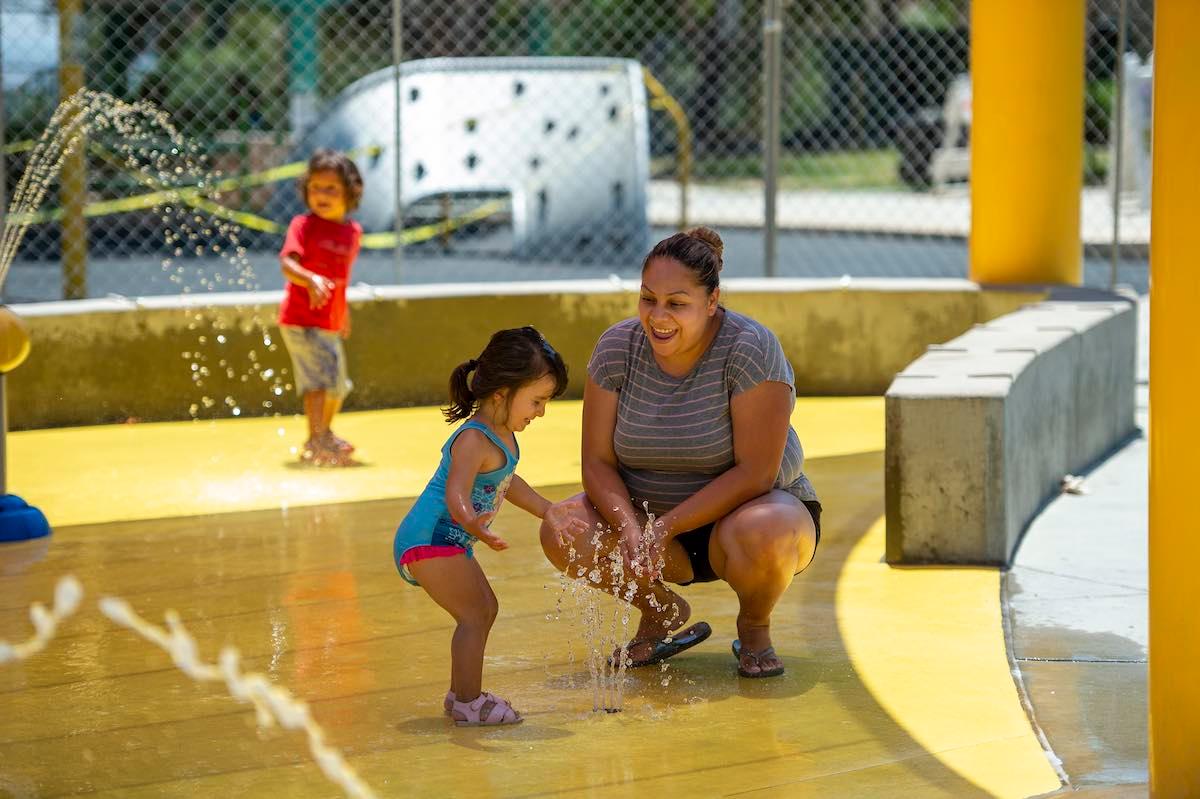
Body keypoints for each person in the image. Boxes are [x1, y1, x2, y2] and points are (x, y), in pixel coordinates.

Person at [539, 227, 822, 679]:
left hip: (745, 519)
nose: (658, 316)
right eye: (648, 298)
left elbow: (756, 473)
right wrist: (632, 529)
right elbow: (596, 462)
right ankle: (660, 611)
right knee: (563, 531)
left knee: (767, 529)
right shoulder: (617, 348)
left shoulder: (751, 347)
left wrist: (664, 527)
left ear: (712, 302)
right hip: (653, 528)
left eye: (676, 302)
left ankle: (754, 625)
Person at [394, 327, 588, 726]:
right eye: (536, 401)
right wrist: (473, 524)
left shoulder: (501, 437)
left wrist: (548, 509)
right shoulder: (473, 438)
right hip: (431, 539)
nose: (541, 412)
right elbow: (456, 492)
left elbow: (507, 482)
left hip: (450, 540)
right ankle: (468, 701)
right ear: (501, 392)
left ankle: (461, 695)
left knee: (485, 609)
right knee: (474, 615)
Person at [277, 149, 364, 466]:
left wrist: (342, 312)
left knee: (338, 386)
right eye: (315, 188)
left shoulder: (352, 233)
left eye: (331, 189)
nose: (322, 195)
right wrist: (309, 279)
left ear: (350, 192)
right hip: (300, 320)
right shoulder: (303, 226)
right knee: (317, 383)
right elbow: (287, 262)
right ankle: (316, 442)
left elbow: (342, 278)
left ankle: (324, 432)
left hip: (328, 322)